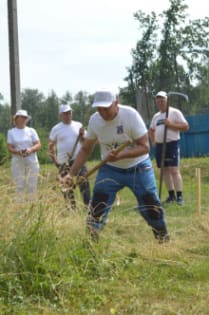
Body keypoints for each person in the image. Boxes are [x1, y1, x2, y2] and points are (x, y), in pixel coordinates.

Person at [62, 89, 170, 243]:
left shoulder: (130, 116)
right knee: (97, 206)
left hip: (138, 167)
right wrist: (71, 174)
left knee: (151, 206)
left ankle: (163, 240)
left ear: (116, 103)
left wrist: (121, 155)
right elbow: (86, 149)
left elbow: (145, 147)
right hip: (110, 169)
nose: (103, 113)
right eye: (99, 109)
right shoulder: (95, 121)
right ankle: (91, 245)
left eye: (106, 108)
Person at [149, 91, 189, 205]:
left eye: (162, 100)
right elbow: (151, 129)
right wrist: (154, 141)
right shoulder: (156, 116)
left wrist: (171, 124)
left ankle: (179, 196)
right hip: (160, 146)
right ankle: (171, 195)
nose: (160, 103)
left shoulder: (175, 112)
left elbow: (186, 126)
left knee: (174, 170)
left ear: (167, 101)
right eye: (158, 101)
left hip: (172, 144)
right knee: (164, 170)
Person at [48, 104, 91, 209]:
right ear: (61, 115)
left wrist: (82, 136)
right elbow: (50, 146)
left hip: (78, 159)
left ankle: (87, 206)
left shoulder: (78, 125)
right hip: (63, 161)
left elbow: (85, 142)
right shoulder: (56, 129)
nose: (68, 115)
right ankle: (71, 208)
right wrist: (55, 161)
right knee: (66, 185)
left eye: (69, 113)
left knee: (83, 180)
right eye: (65, 114)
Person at [7, 109, 41, 203]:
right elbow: (9, 147)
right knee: (19, 184)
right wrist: (18, 152)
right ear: (16, 119)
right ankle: (19, 206)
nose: (23, 119)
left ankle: (32, 205)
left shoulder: (31, 131)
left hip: (31, 160)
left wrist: (30, 150)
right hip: (18, 160)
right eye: (21, 117)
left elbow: (38, 144)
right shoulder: (11, 132)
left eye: (25, 118)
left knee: (32, 184)